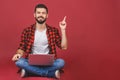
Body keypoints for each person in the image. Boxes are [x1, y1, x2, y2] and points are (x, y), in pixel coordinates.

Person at [12, 4, 67, 79]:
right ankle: (51, 73)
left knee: (61, 62)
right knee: (19, 62)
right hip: (31, 62)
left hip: (48, 63)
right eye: (38, 13)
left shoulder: (53, 31)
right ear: (34, 15)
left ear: (47, 15)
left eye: (43, 13)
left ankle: (28, 72)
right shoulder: (27, 31)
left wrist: (63, 30)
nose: (41, 15)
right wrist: (18, 54)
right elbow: (21, 48)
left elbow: (64, 47)